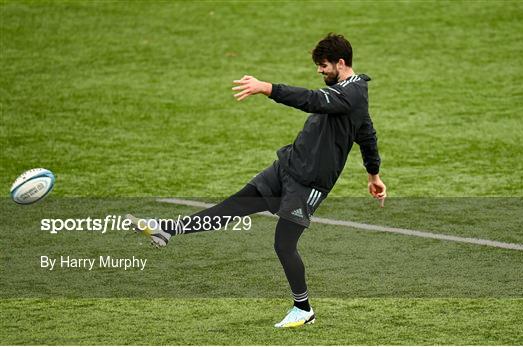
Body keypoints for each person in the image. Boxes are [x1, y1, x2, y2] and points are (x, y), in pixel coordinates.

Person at [126, 33, 386, 328]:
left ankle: (304, 309)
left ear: (341, 63)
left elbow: (312, 100)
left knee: (284, 244)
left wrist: (268, 88)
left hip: (308, 185)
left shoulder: (352, 94)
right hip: (286, 167)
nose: (319, 71)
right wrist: (373, 175)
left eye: (323, 65)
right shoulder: (344, 91)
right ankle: (167, 230)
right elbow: (367, 136)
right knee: (232, 206)